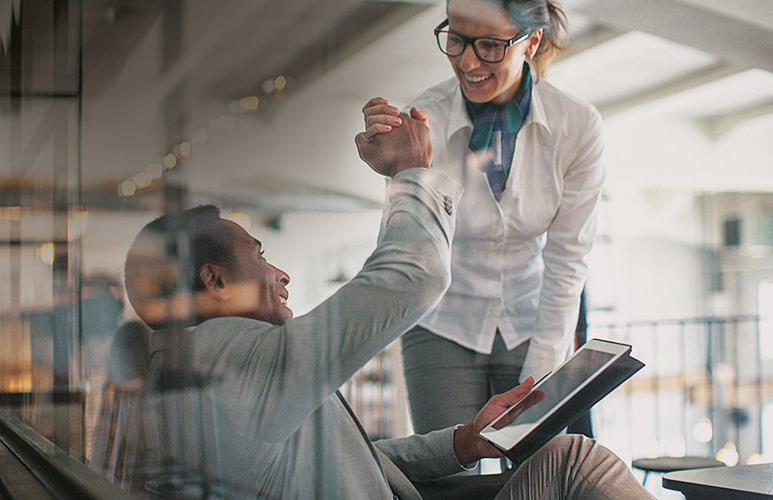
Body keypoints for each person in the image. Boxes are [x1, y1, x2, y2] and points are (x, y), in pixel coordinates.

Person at [118, 112, 650, 500]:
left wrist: (464, 442)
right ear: (213, 280)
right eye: (259, 255)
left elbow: (353, 464)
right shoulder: (231, 363)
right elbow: (414, 274)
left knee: (563, 459)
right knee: (575, 463)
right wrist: (410, 174)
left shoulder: (195, 371)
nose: (279, 275)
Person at [362, 0, 606, 434]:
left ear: (531, 42)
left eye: (490, 45)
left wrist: (543, 370)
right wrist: (398, 170)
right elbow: (412, 247)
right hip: (442, 321)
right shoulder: (424, 119)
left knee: (537, 472)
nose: (468, 61)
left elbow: (569, 260)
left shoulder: (577, 126)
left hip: (533, 320)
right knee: (446, 474)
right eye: (456, 40)